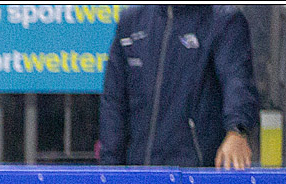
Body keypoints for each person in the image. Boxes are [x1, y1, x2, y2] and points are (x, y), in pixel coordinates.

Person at [98, 5, 259, 169]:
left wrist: (237, 130)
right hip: (139, 171)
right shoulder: (132, 20)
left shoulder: (222, 19)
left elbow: (237, 81)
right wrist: (109, 168)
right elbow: (114, 102)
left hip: (196, 172)